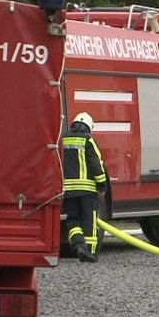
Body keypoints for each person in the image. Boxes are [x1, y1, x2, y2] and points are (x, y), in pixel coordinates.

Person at [62, 112, 107, 263]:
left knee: (72, 220)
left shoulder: (63, 139)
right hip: (87, 190)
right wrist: (102, 185)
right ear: (88, 127)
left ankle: (79, 245)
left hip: (68, 190)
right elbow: (96, 163)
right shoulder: (89, 139)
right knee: (89, 221)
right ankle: (90, 252)